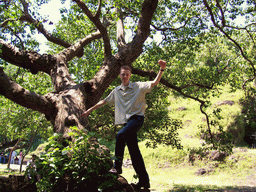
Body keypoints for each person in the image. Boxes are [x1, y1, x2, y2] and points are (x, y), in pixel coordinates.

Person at [81, 59, 166, 190]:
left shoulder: (138, 86)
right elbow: (104, 101)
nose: (124, 76)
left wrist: (161, 69)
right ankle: (144, 182)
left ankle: (117, 167)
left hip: (137, 119)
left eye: (127, 74)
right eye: (122, 74)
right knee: (134, 153)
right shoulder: (117, 91)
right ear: (120, 75)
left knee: (120, 135)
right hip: (127, 122)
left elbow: (154, 83)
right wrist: (89, 111)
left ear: (130, 75)